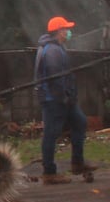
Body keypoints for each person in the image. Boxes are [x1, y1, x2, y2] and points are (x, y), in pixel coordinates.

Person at [34, 15, 95, 184]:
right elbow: (56, 78)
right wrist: (64, 97)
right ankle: (49, 173)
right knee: (51, 133)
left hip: (64, 99)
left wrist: (69, 96)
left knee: (80, 122)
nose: (68, 32)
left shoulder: (57, 47)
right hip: (54, 99)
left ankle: (77, 163)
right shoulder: (52, 50)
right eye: (66, 29)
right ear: (59, 31)